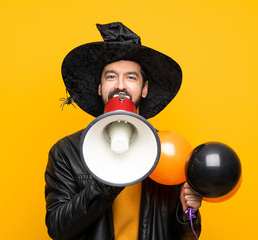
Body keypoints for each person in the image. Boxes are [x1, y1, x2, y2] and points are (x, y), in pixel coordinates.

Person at [45, 22, 202, 240]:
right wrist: (105, 184)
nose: (120, 85)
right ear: (99, 87)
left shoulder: (166, 151)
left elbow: (184, 237)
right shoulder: (66, 152)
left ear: (144, 88)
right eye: (111, 76)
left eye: (131, 77)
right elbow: (57, 228)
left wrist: (187, 214)